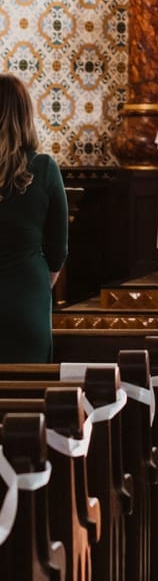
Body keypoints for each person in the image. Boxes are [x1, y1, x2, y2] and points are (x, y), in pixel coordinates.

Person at [0, 75, 66, 364]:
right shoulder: (44, 168)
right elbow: (58, 250)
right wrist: (36, 288)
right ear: (26, 115)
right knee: (30, 386)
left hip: (27, 291)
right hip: (27, 298)